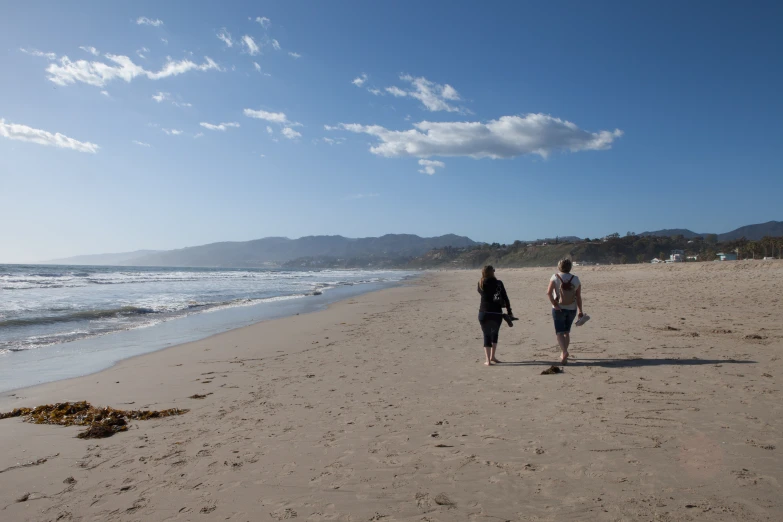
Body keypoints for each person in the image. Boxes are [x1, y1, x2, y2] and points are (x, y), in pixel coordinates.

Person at [546, 259, 584, 365]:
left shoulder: (555, 277)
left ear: (559, 266)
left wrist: (554, 304)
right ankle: (564, 354)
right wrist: (580, 310)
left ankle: (564, 352)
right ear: (570, 267)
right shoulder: (576, 279)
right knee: (567, 332)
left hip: (559, 309)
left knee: (559, 333)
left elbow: (548, 293)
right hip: (572, 309)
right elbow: (578, 296)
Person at [477, 265, 513, 366]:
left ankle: (488, 360)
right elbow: (506, 298)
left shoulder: (480, 283)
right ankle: (493, 356)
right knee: (495, 334)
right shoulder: (499, 283)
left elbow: (482, 293)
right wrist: (509, 311)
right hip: (496, 313)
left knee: (486, 335)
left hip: (484, 312)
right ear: (492, 272)